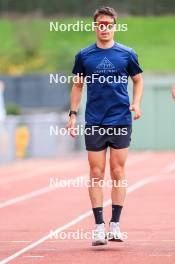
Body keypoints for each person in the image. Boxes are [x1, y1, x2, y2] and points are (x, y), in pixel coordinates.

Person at [67, 6, 143, 246]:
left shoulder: (127, 54)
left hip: (120, 119)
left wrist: (136, 104)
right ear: (95, 27)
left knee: (118, 172)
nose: (104, 29)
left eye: (109, 25)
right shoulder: (84, 56)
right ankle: (99, 227)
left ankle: (115, 225)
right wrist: (72, 114)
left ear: (114, 27)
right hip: (95, 121)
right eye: (100, 24)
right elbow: (78, 86)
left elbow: (138, 80)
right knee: (96, 174)